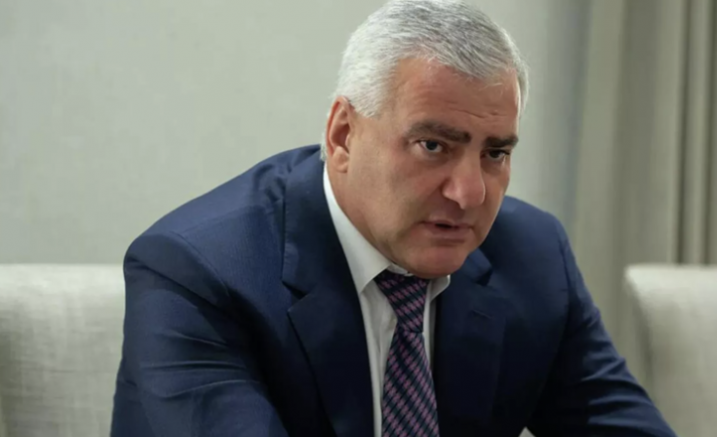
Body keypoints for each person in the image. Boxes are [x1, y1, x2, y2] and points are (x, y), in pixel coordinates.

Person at [110, 0, 676, 436]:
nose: (469, 193)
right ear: (343, 136)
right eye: (433, 145)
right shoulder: (199, 272)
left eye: (495, 153)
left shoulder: (532, 256)